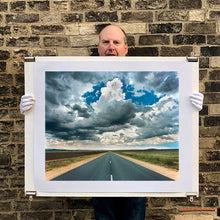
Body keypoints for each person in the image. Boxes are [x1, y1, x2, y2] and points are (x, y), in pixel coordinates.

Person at [20, 25, 204, 220]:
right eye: (105, 42)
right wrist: (32, 112)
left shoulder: (142, 74)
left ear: (125, 48)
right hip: (101, 188)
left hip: (136, 189)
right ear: (98, 47)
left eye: (116, 42)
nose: (111, 47)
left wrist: (189, 108)